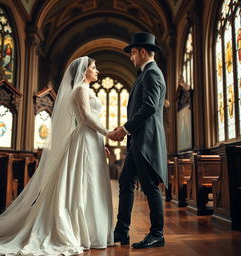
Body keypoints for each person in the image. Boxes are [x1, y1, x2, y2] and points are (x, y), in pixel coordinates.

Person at [0, 56, 114, 255]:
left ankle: (93, 230)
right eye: (94, 68)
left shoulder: (87, 90)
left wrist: (101, 142)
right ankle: (79, 230)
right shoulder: (80, 89)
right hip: (84, 141)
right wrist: (108, 133)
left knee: (92, 183)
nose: (97, 71)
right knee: (82, 182)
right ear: (84, 71)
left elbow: (90, 119)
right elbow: (86, 118)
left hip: (92, 140)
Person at [108, 32, 168, 249]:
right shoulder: (145, 73)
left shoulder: (152, 73)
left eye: (133, 53)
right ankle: (121, 231)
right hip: (137, 141)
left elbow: (149, 107)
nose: (131, 57)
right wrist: (125, 129)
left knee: (150, 186)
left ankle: (157, 234)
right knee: (126, 182)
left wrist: (124, 129)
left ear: (143, 51)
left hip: (146, 141)